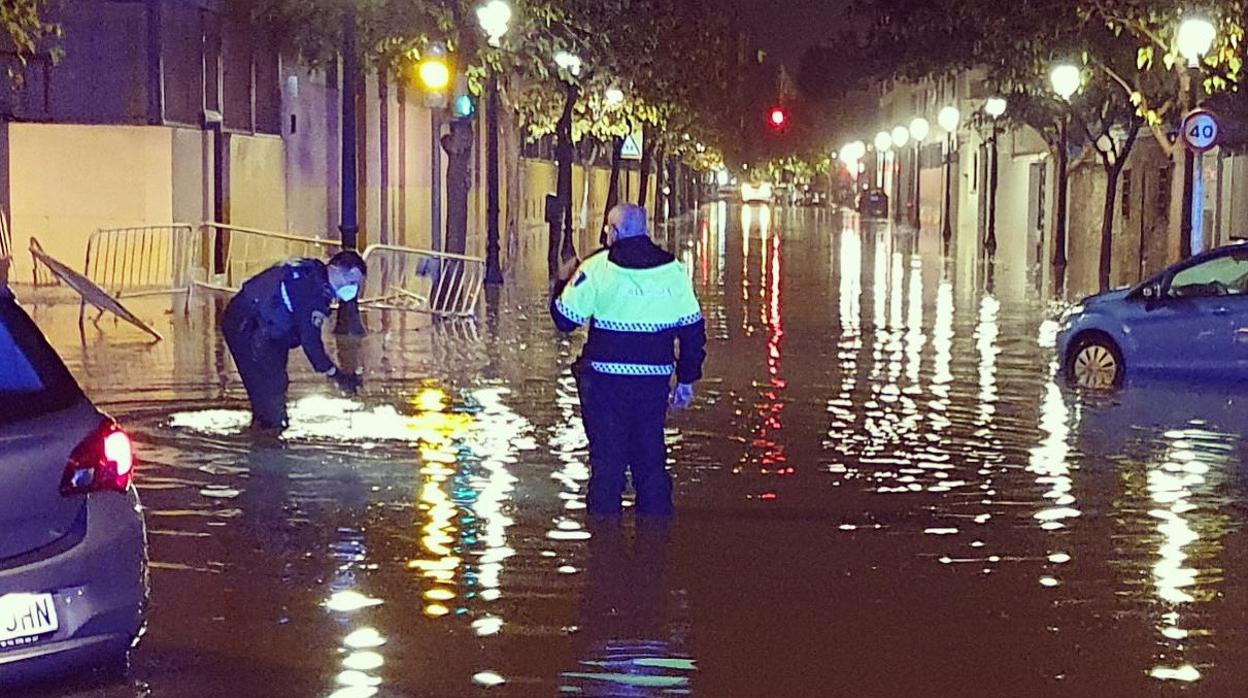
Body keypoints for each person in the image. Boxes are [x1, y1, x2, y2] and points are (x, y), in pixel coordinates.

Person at [550, 204, 707, 516]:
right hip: (652, 386)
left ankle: (603, 548)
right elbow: (693, 332)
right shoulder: (674, 272)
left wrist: (563, 280)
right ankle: (656, 545)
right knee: (651, 463)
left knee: (607, 466)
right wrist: (687, 381)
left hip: (604, 387)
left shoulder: (596, 268)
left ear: (615, 232)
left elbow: (565, 320)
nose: (606, 234)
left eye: (609, 229)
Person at [222, 250, 366, 431]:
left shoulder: (311, 273)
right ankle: (265, 445)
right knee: (271, 395)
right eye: (351, 281)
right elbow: (311, 342)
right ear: (335, 269)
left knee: (276, 386)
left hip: (260, 325)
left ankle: (263, 429)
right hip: (249, 326)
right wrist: (335, 374)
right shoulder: (313, 291)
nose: (352, 289)